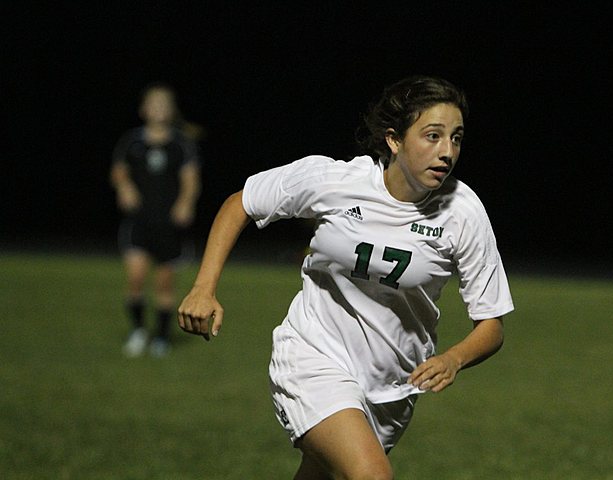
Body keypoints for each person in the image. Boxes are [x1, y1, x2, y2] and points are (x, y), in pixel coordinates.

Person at [178, 76, 513, 479]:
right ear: (394, 140)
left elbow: (492, 324)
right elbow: (242, 204)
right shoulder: (335, 181)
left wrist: (453, 359)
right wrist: (203, 288)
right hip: (314, 356)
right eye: (432, 136)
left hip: (394, 384)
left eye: (456, 138)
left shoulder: (463, 211)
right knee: (372, 475)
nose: (447, 152)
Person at [111, 82, 202, 358]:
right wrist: (124, 188)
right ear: (144, 109)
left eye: (165, 105)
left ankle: (162, 338)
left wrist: (185, 204)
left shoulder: (180, 144)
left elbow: (191, 180)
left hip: (168, 225)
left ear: (171, 111)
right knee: (136, 278)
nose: (159, 110)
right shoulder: (132, 142)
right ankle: (139, 331)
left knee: (164, 283)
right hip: (139, 222)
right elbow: (118, 172)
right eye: (154, 104)